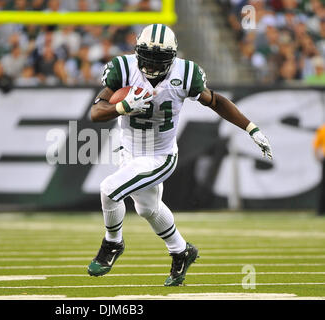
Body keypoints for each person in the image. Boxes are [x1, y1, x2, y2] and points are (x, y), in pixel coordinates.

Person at [88, 24, 273, 286]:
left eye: (159, 59)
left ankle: (113, 243)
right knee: (147, 208)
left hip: (159, 156)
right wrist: (122, 106)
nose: (151, 64)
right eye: (147, 57)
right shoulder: (122, 68)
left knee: (109, 189)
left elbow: (217, 102)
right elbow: (96, 112)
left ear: (172, 57)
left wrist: (251, 128)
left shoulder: (186, 73)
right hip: (128, 151)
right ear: (137, 51)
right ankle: (181, 251)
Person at [313, 124, 325, 215]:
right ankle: (321, 210)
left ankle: (320, 211)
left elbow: (316, 147)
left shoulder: (322, 129)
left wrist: (317, 157)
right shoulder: (322, 129)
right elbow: (316, 145)